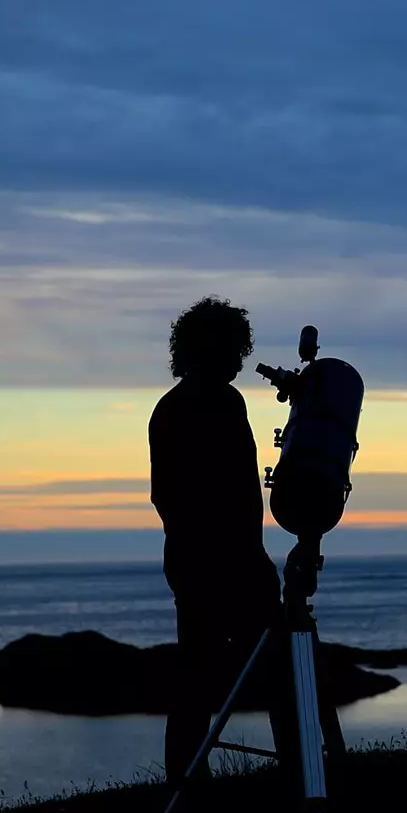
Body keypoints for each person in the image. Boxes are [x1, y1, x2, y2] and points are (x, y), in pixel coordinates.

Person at [149, 296, 288, 787]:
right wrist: (240, 554)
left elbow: (165, 497)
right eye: (234, 347)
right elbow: (190, 496)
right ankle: (297, 769)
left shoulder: (177, 406)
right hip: (220, 560)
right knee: (272, 668)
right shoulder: (211, 405)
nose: (241, 359)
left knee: (198, 674)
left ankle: (186, 781)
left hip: (202, 560)